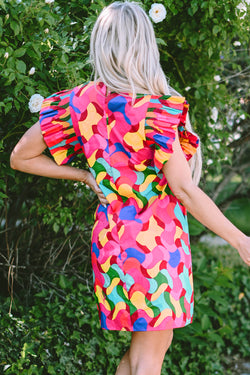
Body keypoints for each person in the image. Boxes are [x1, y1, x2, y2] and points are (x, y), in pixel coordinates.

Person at [10, 2, 250, 375]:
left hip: (112, 246)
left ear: (101, 44)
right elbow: (185, 191)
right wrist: (239, 239)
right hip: (156, 247)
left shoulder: (77, 103)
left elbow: (21, 157)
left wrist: (86, 176)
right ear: (144, 44)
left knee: (142, 352)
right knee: (149, 356)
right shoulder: (155, 111)